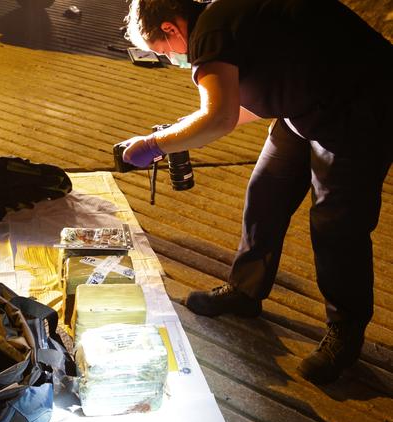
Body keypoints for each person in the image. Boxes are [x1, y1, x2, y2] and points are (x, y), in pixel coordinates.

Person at [119, 0, 392, 384]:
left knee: (337, 225)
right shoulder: (222, 20)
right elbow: (241, 104)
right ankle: (245, 292)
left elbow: (219, 118)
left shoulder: (209, 33)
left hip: (361, 108)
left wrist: (154, 145)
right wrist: (179, 130)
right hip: (304, 106)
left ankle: (345, 333)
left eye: (163, 53)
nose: (170, 60)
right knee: (265, 193)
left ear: (171, 30)